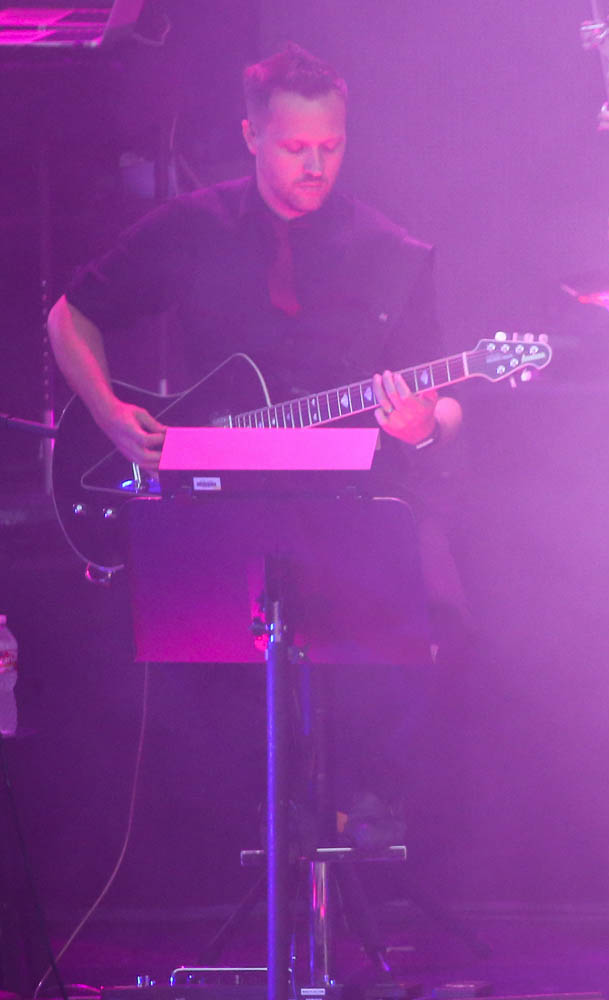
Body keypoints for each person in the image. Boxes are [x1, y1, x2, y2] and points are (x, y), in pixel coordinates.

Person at [46, 41, 467, 842]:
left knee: (427, 629)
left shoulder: (391, 253)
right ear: (250, 135)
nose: (316, 165)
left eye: (331, 146)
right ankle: (269, 851)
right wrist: (108, 413)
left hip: (352, 500)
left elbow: (444, 403)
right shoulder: (192, 228)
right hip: (218, 507)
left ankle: (358, 835)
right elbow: (69, 316)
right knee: (229, 710)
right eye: (295, 146)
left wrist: (423, 425)